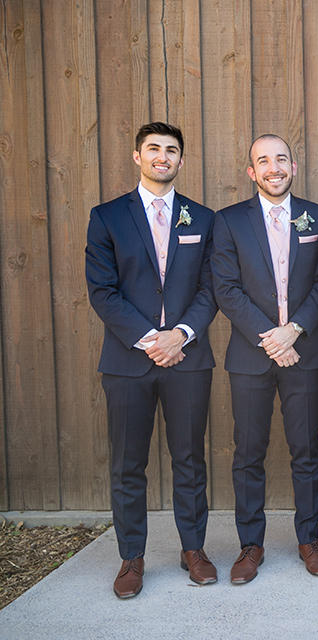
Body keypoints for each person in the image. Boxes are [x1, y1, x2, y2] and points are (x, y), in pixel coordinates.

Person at [86, 122, 219, 598]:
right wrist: (150, 338)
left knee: (189, 459)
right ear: (137, 156)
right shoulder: (107, 217)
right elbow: (102, 291)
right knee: (128, 464)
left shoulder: (203, 219)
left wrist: (180, 335)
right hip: (127, 362)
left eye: (172, 150)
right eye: (154, 149)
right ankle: (132, 558)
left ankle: (193, 550)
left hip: (188, 358)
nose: (163, 157)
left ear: (181, 161)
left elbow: (211, 288)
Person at [211, 134, 318, 585]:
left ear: (293, 167)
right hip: (250, 356)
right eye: (263, 161)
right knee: (248, 454)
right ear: (251, 172)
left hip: (303, 351)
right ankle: (250, 545)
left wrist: (294, 329)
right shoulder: (228, 222)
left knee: (306, 451)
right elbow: (225, 287)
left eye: (281, 159)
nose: (273, 167)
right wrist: (271, 337)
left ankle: (309, 539)